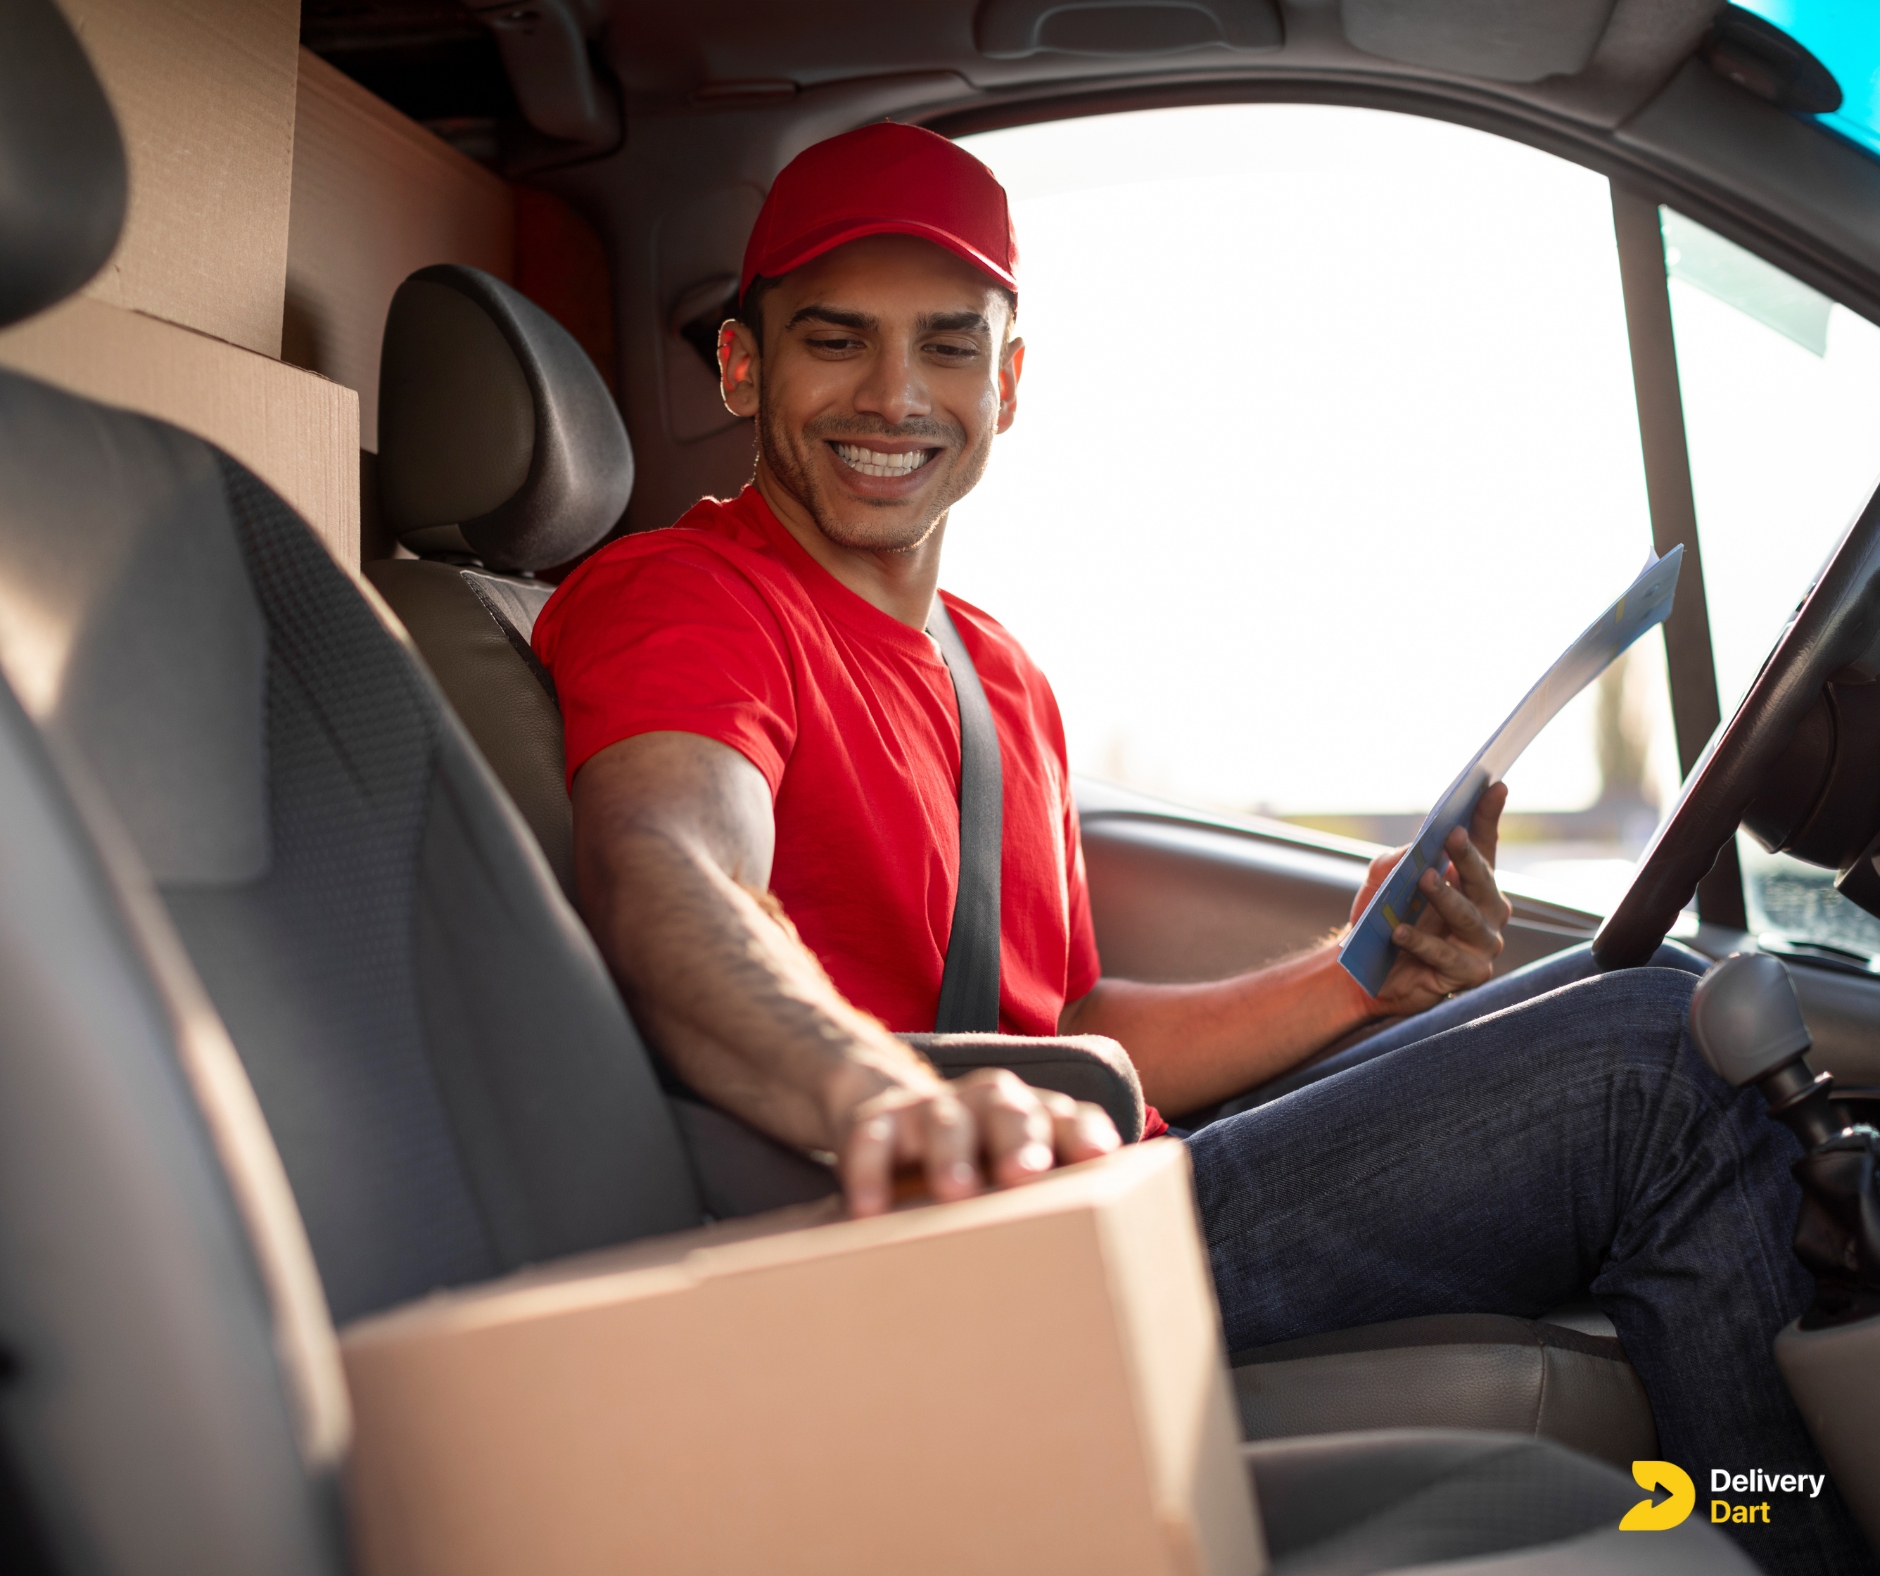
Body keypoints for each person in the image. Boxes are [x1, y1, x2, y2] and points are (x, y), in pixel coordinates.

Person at [533, 123, 1870, 1575]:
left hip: (1101, 1172)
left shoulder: (996, 674)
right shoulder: (681, 597)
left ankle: (1756, 1518)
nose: (896, 396)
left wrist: (1359, 981)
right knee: (1658, 1069)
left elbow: (1073, 1029)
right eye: (834, 342)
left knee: (1653, 989)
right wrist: (873, 1090)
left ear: (1012, 381)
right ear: (743, 368)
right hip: (961, 1253)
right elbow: (669, 867)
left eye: (950, 346)